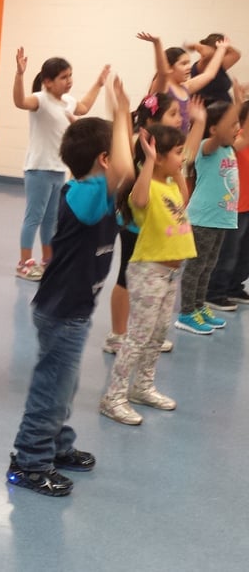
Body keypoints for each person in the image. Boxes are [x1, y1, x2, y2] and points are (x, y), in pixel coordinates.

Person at [7, 75, 135, 496]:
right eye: (115, 150)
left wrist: (120, 118)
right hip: (62, 311)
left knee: (66, 383)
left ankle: (56, 446)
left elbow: (129, 176)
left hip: (73, 310)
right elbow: (125, 169)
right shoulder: (85, 194)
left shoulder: (100, 195)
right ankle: (29, 460)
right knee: (52, 385)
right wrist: (121, 113)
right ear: (103, 159)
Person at [99, 126, 196, 425]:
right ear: (159, 156)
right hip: (148, 271)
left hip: (169, 275)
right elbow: (139, 200)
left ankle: (142, 386)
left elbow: (183, 198)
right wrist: (151, 159)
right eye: (178, 152)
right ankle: (113, 396)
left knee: (157, 334)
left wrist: (177, 168)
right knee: (138, 337)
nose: (183, 157)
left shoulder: (168, 185)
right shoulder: (147, 187)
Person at [102, 92, 205, 354]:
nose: (178, 119)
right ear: (152, 121)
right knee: (127, 276)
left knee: (152, 285)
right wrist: (122, 114)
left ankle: (144, 332)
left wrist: (199, 123)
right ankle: (118, 334)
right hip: (136, 223)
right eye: (173, 114)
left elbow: (187, 158)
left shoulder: (169, 151)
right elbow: (124, 162)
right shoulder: (143, 146)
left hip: (160, 223)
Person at [13, 49, 109, 281]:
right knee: (34, 216)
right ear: (48, 81)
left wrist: (98, 83)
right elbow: (19, 101)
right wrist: (19, 74)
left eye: (70, 76)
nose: (69, 81)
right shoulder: (40, 99)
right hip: (38, 169)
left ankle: (48, 259)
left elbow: (84, 107)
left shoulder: (67, 101)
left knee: (51, 219)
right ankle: (24, 263)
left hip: (58, 170)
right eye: (64, 77)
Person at [174, 101, 240, 334]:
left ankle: (199, 307)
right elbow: (216, 135)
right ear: (214, 129)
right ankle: (186, 313)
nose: (237, 129)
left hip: (220, 219)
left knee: (208, 266)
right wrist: (202, 119)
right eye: (233, 124)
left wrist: (239, 105)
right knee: (195, 267)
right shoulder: (206, 147)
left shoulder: (229, 148)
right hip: (203, 219)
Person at [138, 31, 228, 134]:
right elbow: (162, 72)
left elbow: (210, 74)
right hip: (164, 141)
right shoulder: (163, 88)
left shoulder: (185, 87)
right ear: (170, 67)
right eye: (183, 64)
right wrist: (157, 44)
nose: (189, 67)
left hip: (182, 140)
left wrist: (221, 49)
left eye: (189, 63)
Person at [206, 97, 249, 307]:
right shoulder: (234, 141)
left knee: (244, 254)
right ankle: (214, 292)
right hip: (233, 208)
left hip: (247, 206)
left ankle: (233, 287)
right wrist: (239, 105)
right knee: (228, 254)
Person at [186, 33, 241, 105]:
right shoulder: (203, 63)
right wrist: (220, 47)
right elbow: (207, 52)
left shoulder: (219, 64)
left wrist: (225, 45)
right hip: (208, 110)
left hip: (225, 108)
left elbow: (236, 55)